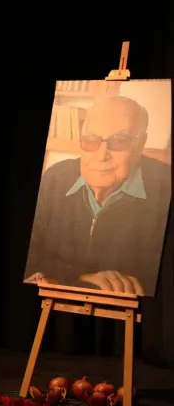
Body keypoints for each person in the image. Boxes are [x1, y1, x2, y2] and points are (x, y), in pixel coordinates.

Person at [24, 95, 172, 295]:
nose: (102, 155)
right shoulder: (55, 178)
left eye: (119, 141)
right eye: (91, 140)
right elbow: (29, 255)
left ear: (140, 144)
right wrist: (79, 277)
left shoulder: (166, 188)